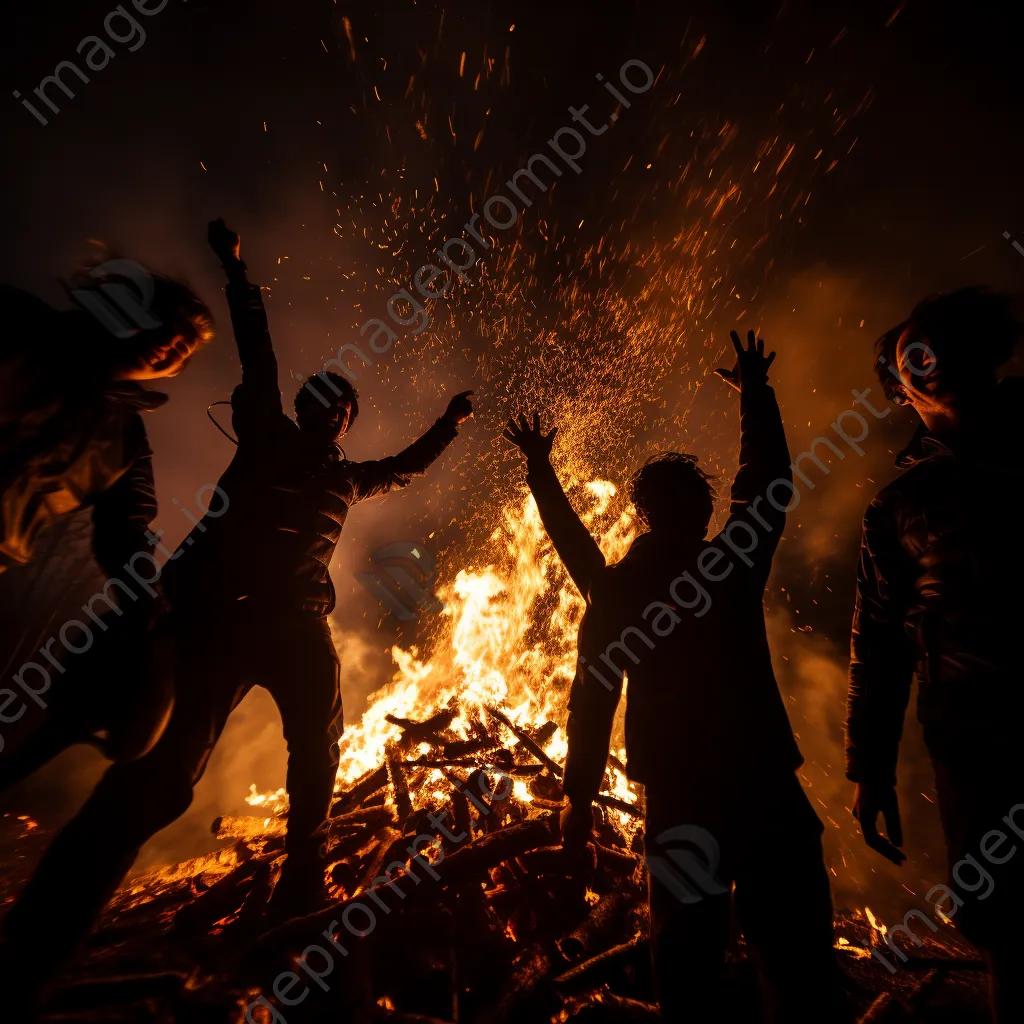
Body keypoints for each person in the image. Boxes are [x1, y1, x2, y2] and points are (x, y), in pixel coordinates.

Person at [0, 220, 472, 1010]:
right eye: (320, 397)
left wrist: (451, 427)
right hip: (216, 622)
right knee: (158, 781)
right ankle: (28, 950)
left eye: (342, 405)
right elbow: (257, 352)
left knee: (320, 741)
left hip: (293, 627)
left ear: (347, 422)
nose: (330, 409)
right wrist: (236, 271)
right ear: (301, 405)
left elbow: (408, 467)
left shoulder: (348, 482)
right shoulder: (261, 433)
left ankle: (300, 873)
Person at [505, 331, 850, 1023]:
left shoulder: (616, 591)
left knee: (688, 965)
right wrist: (755, 394)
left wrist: (577, 799)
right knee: (797, 961)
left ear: (641, 513)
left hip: (681, 796)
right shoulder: (730, 566)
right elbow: (770, 485)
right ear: (705, 513)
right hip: (763, 789)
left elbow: (592, 698)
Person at [846, 288, 1024, 1022]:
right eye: (910, 356)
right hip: (975, 748)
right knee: (1005, 927)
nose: (930, 361)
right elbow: (879, 645)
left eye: (942, 344)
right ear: (897, 392)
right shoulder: (898, 508)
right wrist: (869, 769)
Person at [0, 264, 213, 784]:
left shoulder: (126, 441)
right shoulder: (21, 325)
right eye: (169, 330)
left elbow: (125, 533)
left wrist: (151, 613)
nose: (171, 350)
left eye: (184, 351)